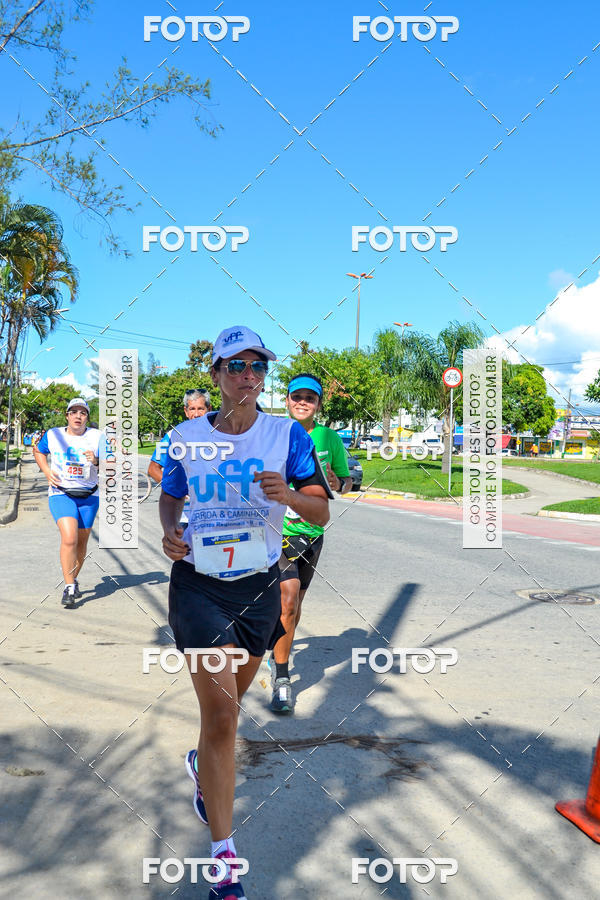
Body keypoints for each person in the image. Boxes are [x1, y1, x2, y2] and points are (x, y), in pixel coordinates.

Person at [159, 326, 331, 899]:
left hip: (258, 587)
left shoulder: (287, 436)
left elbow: (322, 510)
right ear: (215, 375)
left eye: (258, 367)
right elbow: (171, 495)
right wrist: (168, 532)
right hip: (199, 587)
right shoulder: (183, 435)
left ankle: (204, 769)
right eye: (235, 366)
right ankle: (224, 859)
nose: (248, 376)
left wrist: (290, 497)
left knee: (227, 715)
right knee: (226, 718)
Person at [269, 374, 352, 713]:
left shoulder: (329, 438)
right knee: (287, 600)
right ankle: (283, 678)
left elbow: (346, 483)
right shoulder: (272, 434)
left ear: (318, 404)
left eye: (310, 398)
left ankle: (277, 647)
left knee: (295, 605)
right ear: (287, 400)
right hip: (278, 530)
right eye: (296, 396)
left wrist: (338, 481)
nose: (302, 402)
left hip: (313, 533)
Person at [33, 398, 101, 608]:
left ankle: (73, 579)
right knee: (69, 538)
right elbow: (38, 451)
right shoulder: (53, 435)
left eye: (83, 413)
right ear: (67, 416)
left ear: (87, 417)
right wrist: (46, 471)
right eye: (74, 412)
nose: (78, 416)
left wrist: (97, 460)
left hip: (89, 496)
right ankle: (69, 587)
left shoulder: (97, 437)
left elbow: (113, 462)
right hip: (61, 493)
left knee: (81, 544)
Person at [148, 389, 212, 484]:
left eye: (201, 409)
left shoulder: (222, 434)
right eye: (192, 409)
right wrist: (175, 490)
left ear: (209, 409)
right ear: (186, 411)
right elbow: (153, 469)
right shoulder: (172, 436)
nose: (196, 414)